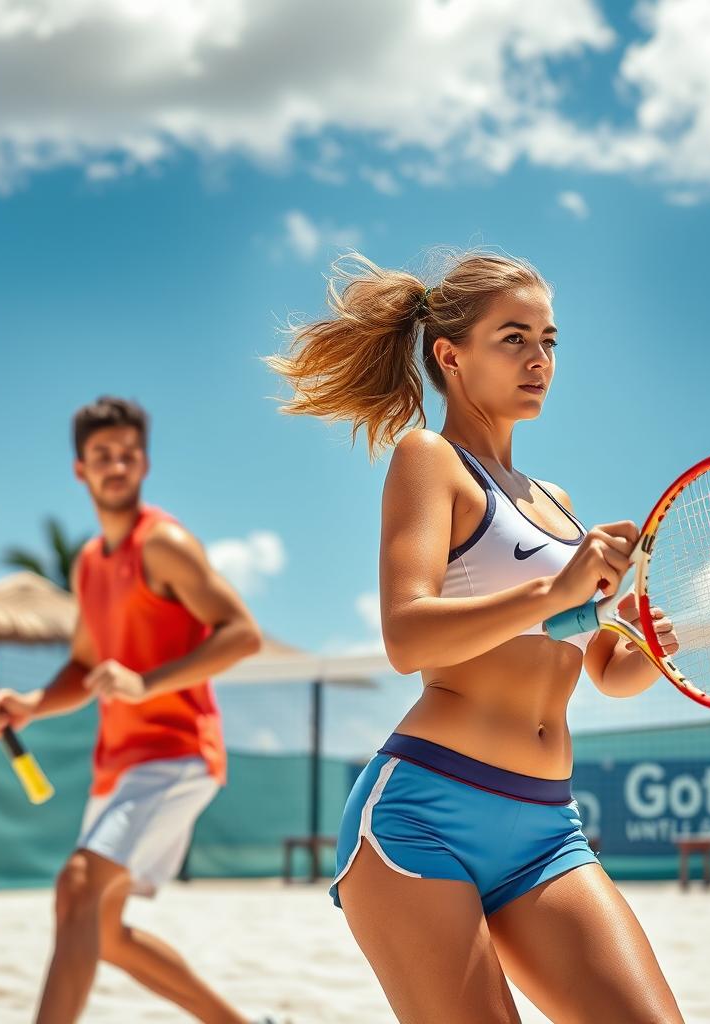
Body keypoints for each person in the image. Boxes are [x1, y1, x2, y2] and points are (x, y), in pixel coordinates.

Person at [269, 253, 685, 1023]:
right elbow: (407, 636)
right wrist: (553, 592)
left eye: (550, 341)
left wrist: (655, 644)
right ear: (450, 356)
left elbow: (605, 670)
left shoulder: (556, 504)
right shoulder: (430, 460)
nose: (539, 359)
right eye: (515, 338)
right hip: (422, 817)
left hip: (546, 826)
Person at [0, 396, 275, 1024]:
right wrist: (30, 704)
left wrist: (147, 683)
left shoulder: (162, 544)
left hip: (178, 752)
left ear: (144, 462)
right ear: (80, 470)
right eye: (102, 456)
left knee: (77, 887)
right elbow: (85, 665)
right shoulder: (88, 563)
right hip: (120, 761)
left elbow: (242, 633)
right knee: (103, 931)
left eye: (128, 454)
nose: (117, 465)